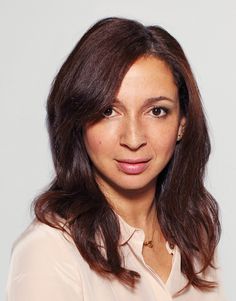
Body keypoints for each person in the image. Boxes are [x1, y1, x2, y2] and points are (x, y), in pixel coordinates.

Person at [6, 17, 225, 300]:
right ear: (78, 121)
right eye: (108, 111)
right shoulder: (50, 251)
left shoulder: (196, 233)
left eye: (156, 111)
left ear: (182, 122)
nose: (133, 139)